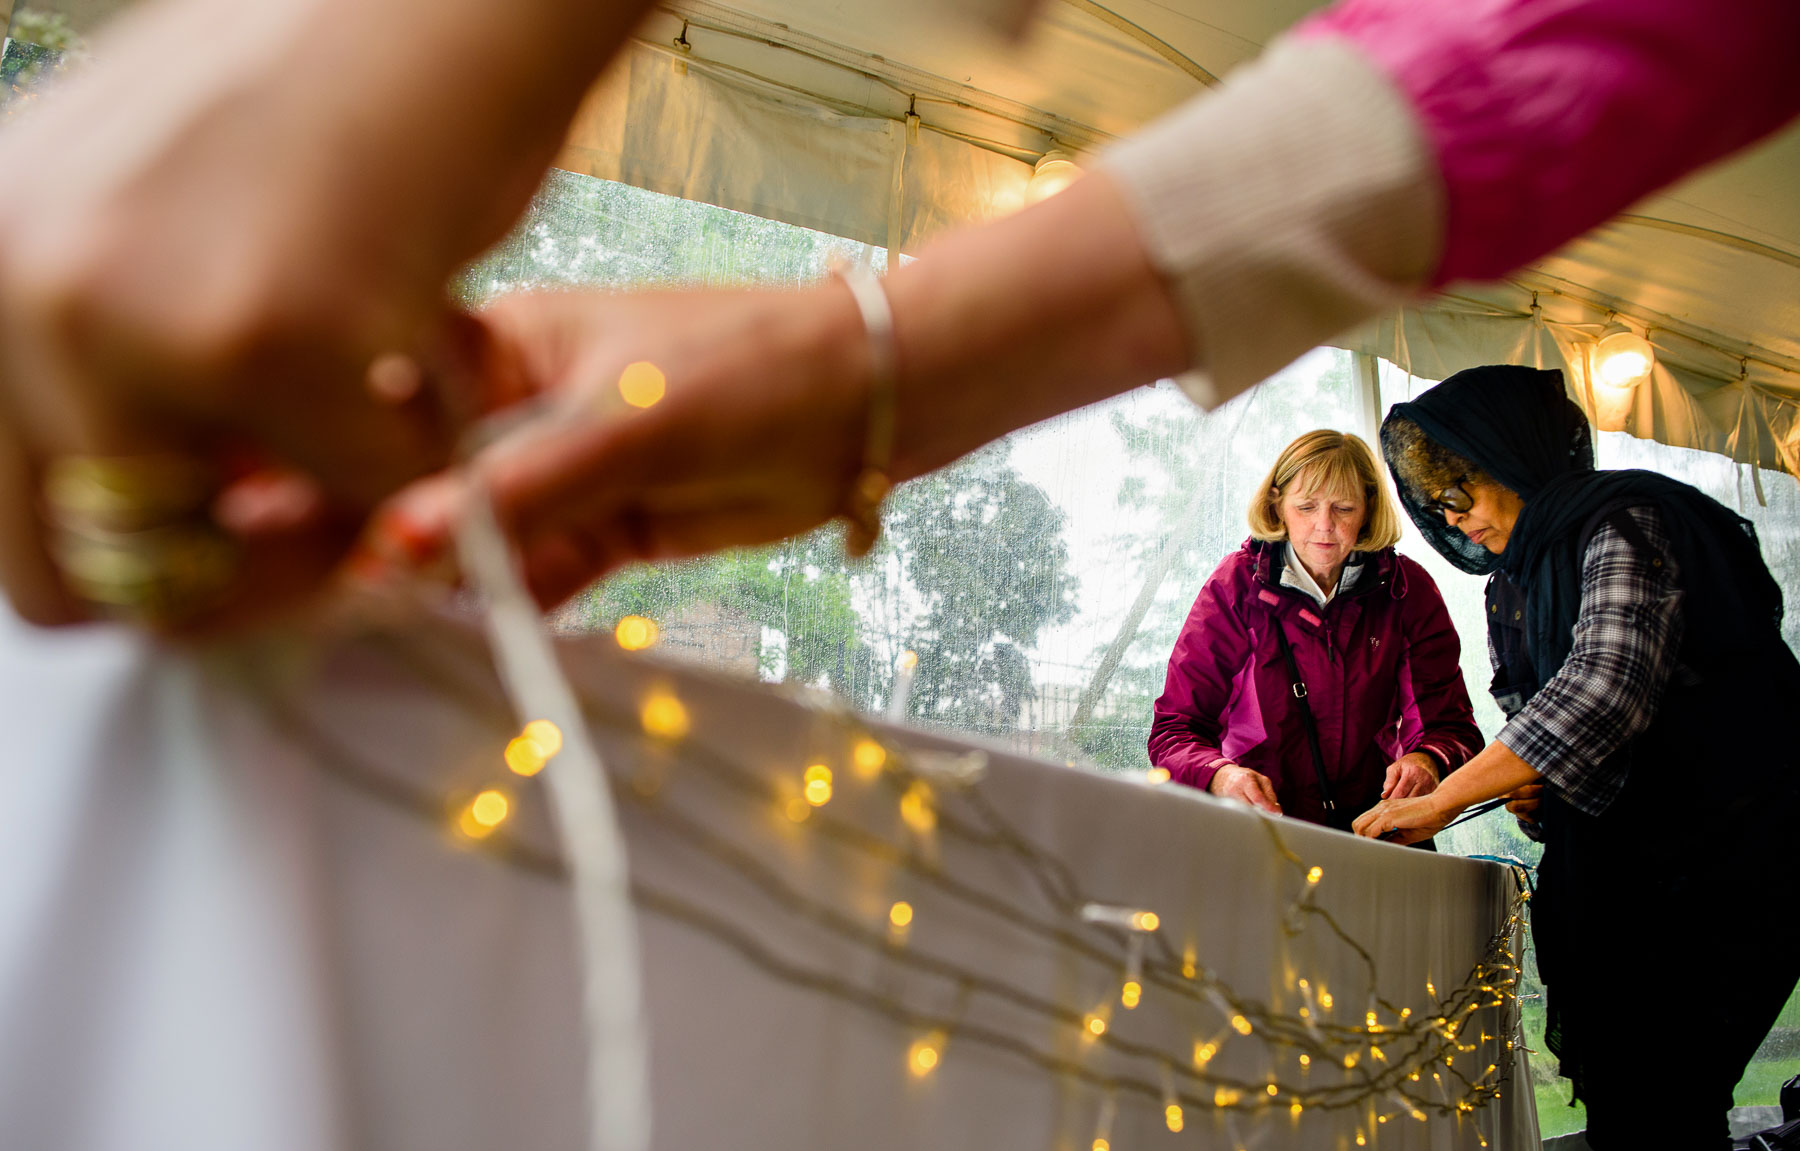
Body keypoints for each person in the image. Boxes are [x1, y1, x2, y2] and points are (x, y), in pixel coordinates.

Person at [1, 0, 1799, 625]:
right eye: (1358, 495)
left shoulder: (1447, 590)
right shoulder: (1256, 596)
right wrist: (878, 359)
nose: (1377, 520)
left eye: (1391, 497)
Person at [1351, 364, 1800, 1151]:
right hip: (1631, 864)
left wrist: (1446, 797)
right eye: (1439, 503)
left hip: (1727, 852)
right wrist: (1528, 793)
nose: (1455, 518)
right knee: (1634, 1105)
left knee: (1670, 1092)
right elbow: (1538, 719)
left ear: (1516, 456)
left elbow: (1600, 689)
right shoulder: (1515, 582)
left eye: (1463, 490)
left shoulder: (1625, 522)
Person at [1149, 429, 1480, 830]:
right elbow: (1176, 730)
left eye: (1343, 508)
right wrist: (1221, 774)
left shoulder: (1407, 590)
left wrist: (1428, 760)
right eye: (1306, 507)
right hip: (1256, 832)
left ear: (1368, 508)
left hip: (1379, 831)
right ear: (1277, 506)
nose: (1324, 526)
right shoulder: (1234, 585)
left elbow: (1451, 727)